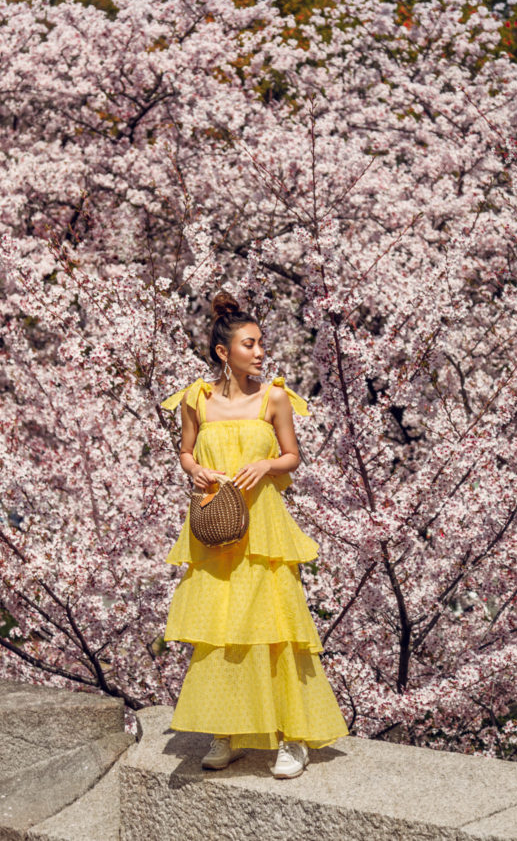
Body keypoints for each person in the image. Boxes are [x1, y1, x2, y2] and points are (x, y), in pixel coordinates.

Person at [161, 292, 350, 778]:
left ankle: (294, 737)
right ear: (224, 352)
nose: (260, 351)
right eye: (250, 344)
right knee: (220, 629)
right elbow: (184, 452)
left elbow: (292, 455)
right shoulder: (194, 399)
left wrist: (267, 464)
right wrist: (195, 470)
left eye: (261, 343)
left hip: (263, 528)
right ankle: (226, 729)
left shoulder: (275, 397)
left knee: (275, 627)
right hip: (217, 525)